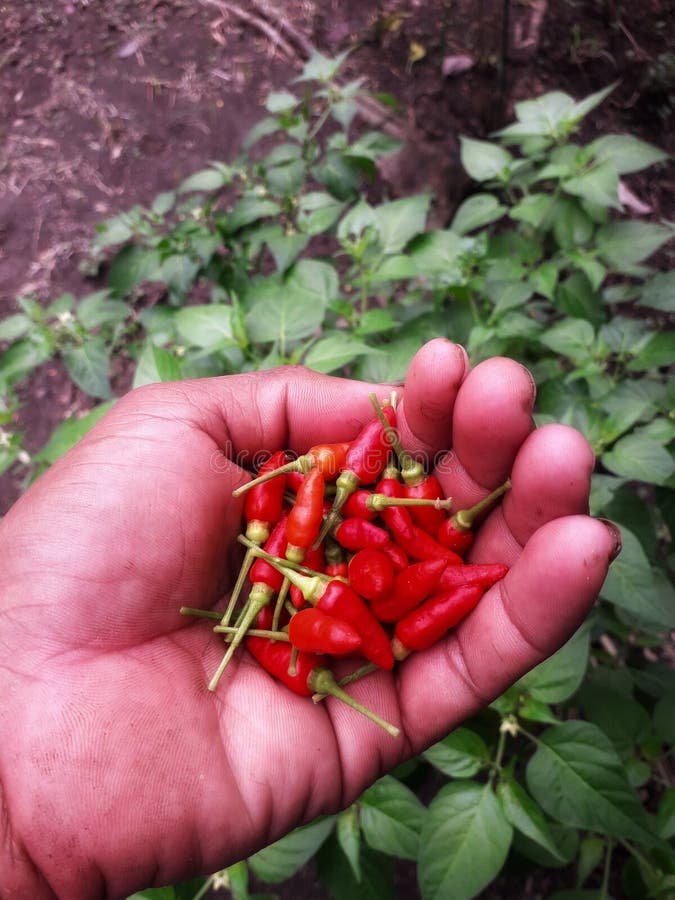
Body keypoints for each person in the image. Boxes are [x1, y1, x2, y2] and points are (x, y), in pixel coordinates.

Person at [0, 339, 620, 900]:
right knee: (398, 580)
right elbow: (356, 604)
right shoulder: (312, 560)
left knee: (436, 570)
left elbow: (396, 574)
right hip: (322, 583)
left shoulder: (346, 535)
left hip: (339, 570)